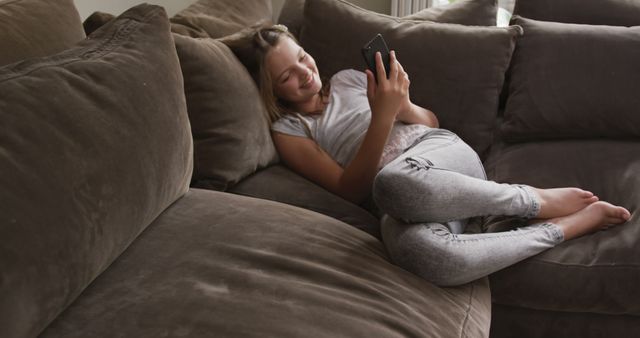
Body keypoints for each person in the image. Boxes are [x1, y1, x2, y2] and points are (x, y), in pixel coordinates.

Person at [226, 24, 632, 286]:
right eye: (287, 76)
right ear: (272, 90)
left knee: (396, 181)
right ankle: (561, 228)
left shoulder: (350, 78)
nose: (304, 72)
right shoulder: (290, 130)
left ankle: (529, 200)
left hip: (437, 156)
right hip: (399, 203)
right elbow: (349, 189)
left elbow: (429, 120)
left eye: (301, 57)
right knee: (425, 256)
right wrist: (381, 118)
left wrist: (400, 105)